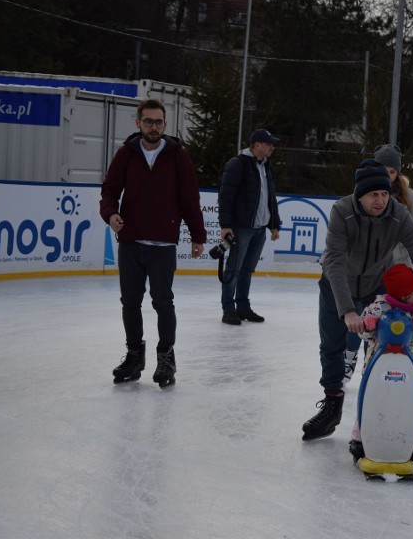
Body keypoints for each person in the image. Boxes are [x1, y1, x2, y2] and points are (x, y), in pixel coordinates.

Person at [302, 159, 413, 441]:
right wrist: (347, 311)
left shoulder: (398, 214)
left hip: (375, 285)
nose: (380, 200)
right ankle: (332, 404)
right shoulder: (342, 211)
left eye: (384, 193)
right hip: (336, 283)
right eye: (373, 195)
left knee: (387, 341)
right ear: (360, 195)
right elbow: (335, 261)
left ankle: (385, 403)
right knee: (332, 344)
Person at [100, 99, 207, 388]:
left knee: (163, 302)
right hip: (131, 242)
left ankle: (166, 358)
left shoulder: (177, 156)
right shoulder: (126, 153)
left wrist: (198, 235)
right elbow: (109, 190)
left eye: (158, 122)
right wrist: (110, 214)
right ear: (138, 123)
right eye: (148, 121)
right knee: (130, 302)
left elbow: (189, 198)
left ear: (165, 125)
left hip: (162, 245)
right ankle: (135, 356)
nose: (153, 127)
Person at [342, 143, 413, 386]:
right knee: (364, 316)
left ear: (398, 174)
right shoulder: (364, 192)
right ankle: (350, 357)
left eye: (392, 171)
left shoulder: (408, 197)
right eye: (383, 169)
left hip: (397, 270)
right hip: (368, 267)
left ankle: (394, 367)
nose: (387, 176)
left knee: (394, 320)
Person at [348, 264, 413, 465]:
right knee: (370, 402)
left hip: (407, 370)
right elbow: (362, 334)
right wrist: (367, 326)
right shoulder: (376, 309)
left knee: (409, 403)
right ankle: (359, 437)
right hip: (375, 368)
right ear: (403, 295)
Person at [217, 129, 282, 325]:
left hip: (259, 228)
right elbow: (226, 196)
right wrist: (226, 225)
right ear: (257, 145)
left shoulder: (266, 167)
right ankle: (228, 308)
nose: (272, 147)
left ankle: (243, 307)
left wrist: (274, 225)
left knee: (247, 269)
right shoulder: (238, 164)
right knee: (233, 269)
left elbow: (270, 198)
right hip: (241, 227)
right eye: (269, 143)